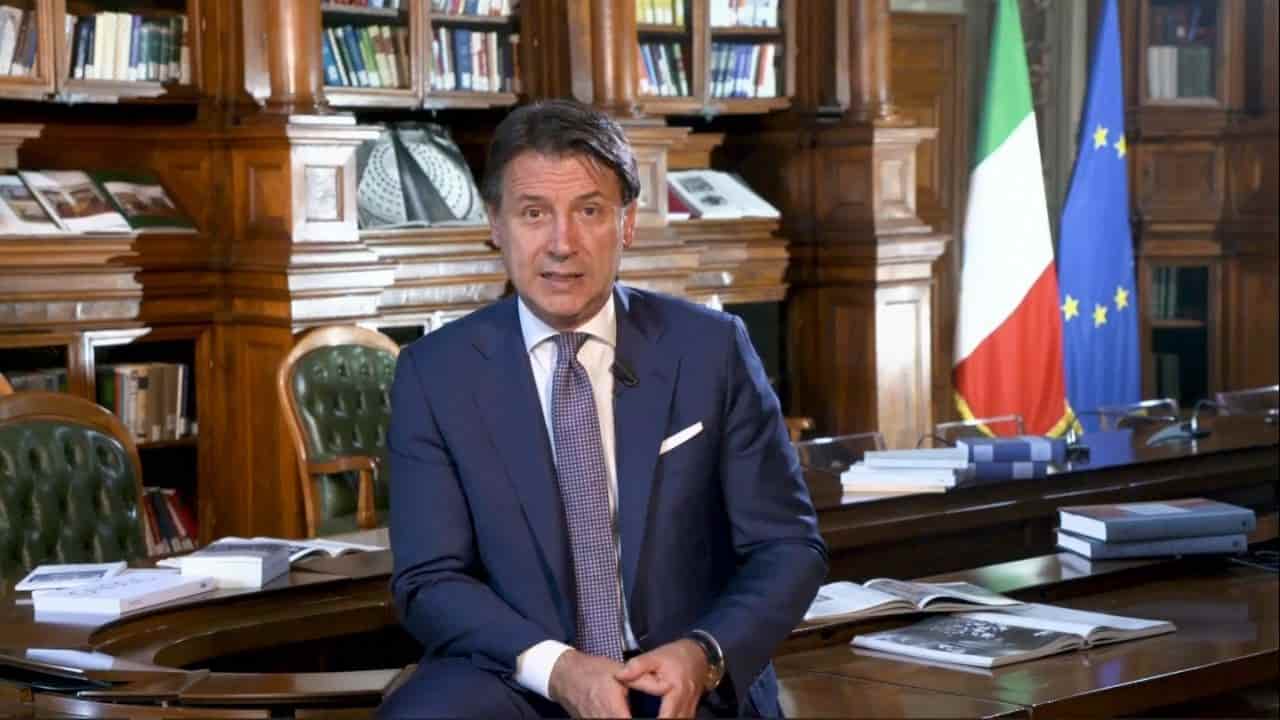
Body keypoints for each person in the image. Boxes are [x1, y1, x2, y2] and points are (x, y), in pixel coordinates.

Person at [380, 99, 826, 719]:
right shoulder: (435, 374)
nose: (561, 244)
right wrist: (559, 668)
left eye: (589, 211)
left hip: (682, 677)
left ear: (627, 222)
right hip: (520, 676)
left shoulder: (711, 350)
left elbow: (788, 547)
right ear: (496, 224)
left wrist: (703, 653)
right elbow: (429, 580)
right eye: (534, 213)